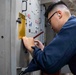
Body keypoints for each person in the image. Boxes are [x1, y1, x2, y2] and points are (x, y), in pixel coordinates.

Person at [22, 1, 76, 75]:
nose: (51, 26)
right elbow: (61, 56)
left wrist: (32, 48)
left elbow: (48, 64)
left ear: (59, 14)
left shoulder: (71, 27)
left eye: (50, 21)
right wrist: (44, 51)